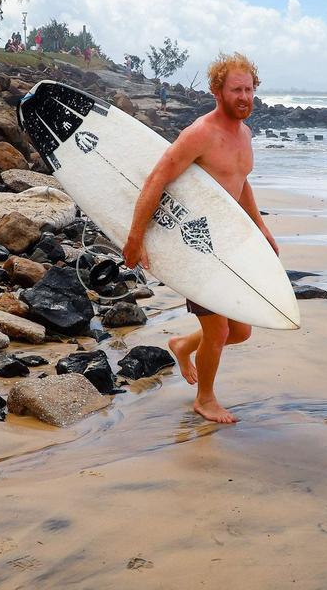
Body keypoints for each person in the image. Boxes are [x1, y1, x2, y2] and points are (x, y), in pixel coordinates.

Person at [123, 52, 278, 424]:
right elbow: (157, 179)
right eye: (236, 89)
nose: (244, 96)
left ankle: (181, 345)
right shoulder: (200, 134)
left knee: (239, 330)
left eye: (249, 89)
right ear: (216, 91)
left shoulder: (245, 134)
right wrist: (135, 237)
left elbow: (240, 183)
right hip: (194, 244)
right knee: (220, 329)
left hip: (226, 245)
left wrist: (261, 227)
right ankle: (204, 399)